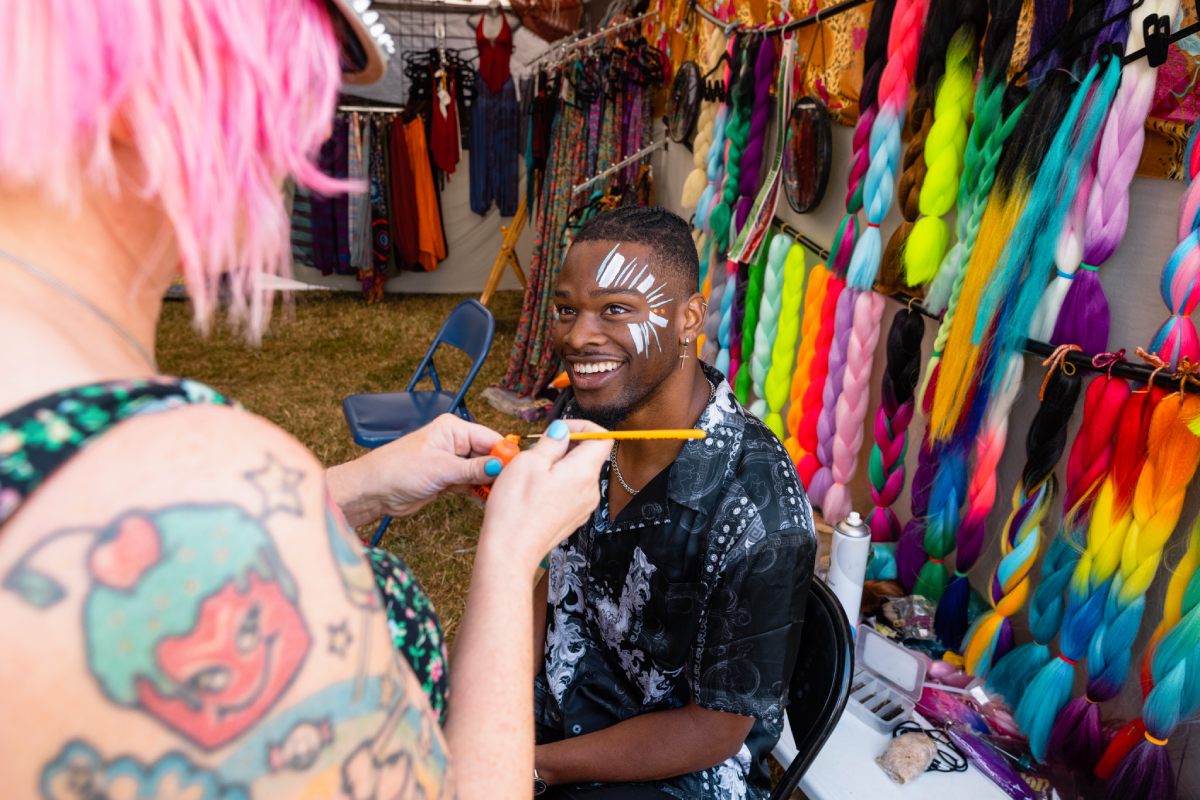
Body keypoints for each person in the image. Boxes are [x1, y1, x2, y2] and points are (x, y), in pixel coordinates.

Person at [0, 3, 608, 799]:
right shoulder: (193, 499)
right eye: (278, 84)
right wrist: (509, 558)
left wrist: (356, 487)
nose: (291, 141)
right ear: (140, 88)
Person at [533, 206, 818, 799]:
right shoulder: (586, 422)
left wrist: (535, 767)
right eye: (567, 309)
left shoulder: (759, 510)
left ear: (690, 317)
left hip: (672, 774)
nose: (579, 336)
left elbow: (713, 730)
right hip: (558, 713)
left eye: (615, 309)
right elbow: (554, 580)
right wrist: (473, 705)